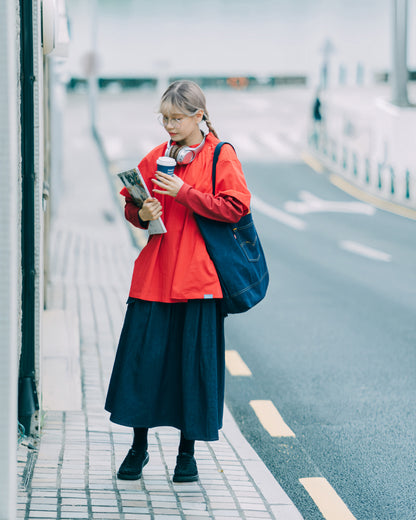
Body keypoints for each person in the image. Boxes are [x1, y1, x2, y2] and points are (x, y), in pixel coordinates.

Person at [105, 80, 251, 483]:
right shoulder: (155, 158)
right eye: (164, 118)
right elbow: (133, 211)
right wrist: (143, 209)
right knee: (143, 365)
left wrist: (184, 192)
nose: (168, 126)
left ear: (198, 116)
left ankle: (186, 456)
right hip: (154, 275)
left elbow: (236, 206)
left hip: (199, 281)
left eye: (176, 118)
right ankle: (138, 448)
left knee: (193, 368)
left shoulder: (221, 155)